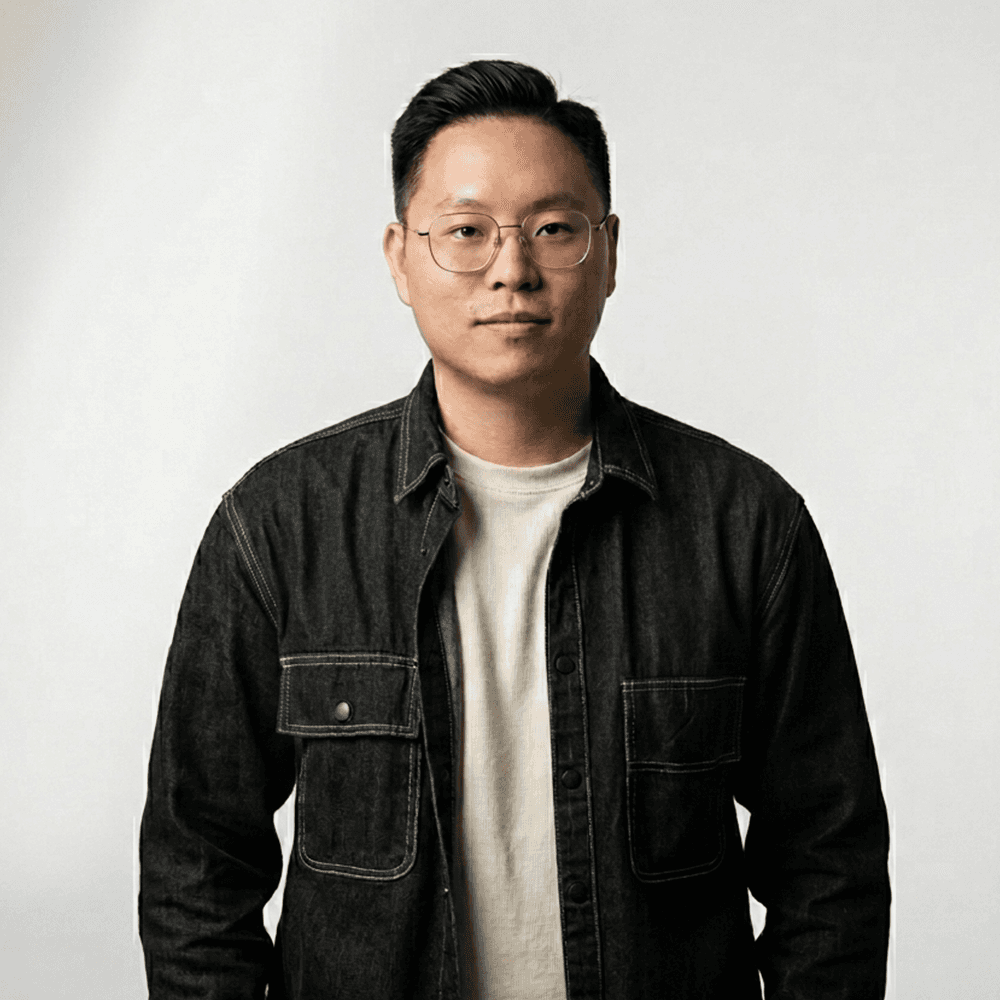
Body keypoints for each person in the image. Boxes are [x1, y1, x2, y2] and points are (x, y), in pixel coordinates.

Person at [140, 59, 890, 999]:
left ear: (608, 252)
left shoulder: (743, 523)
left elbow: (830, 859)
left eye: (553, 229)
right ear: (399, 257)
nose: (512, 269)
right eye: (466, 231)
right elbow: (196, 860)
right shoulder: (280, 524)